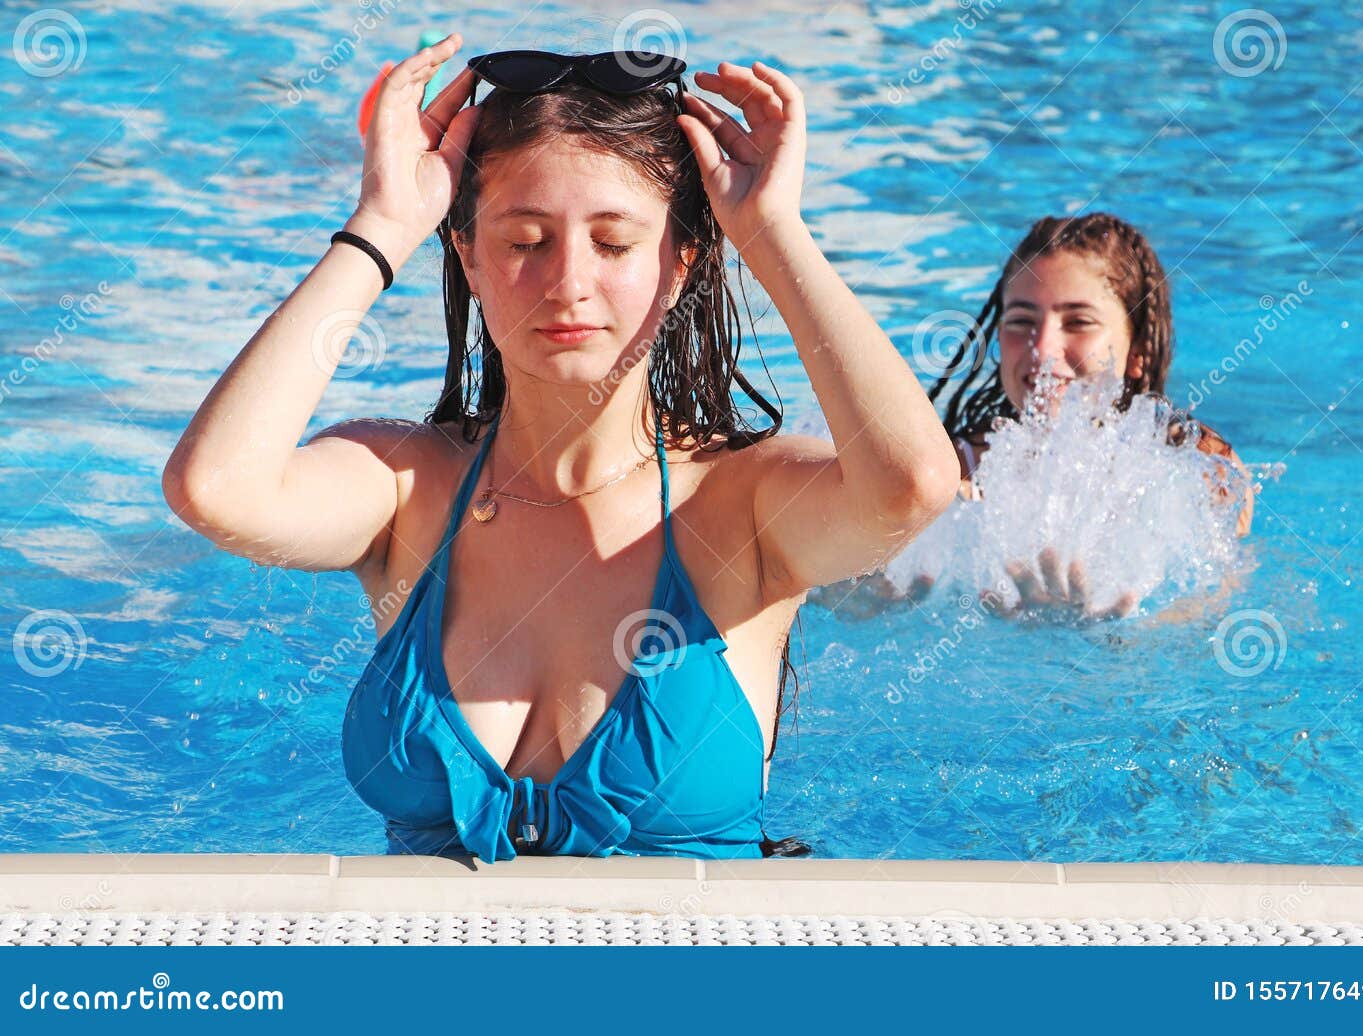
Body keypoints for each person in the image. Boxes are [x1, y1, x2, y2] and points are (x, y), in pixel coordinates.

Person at [161, 36, 959, 861]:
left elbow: (913, 485)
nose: (567, 282)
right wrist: (383, 228)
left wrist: (769, 232)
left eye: (614, 244)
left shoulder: (743, 504)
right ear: (467, 254)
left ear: (682, 262)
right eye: (524, 240)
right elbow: (214, 488)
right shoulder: (405, 486)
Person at [823, 212, 1251, 620]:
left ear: (1137, 351)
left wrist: (1098, 640)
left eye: (1079, 322)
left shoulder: (1202, 471)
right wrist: (856, 602)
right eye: (1022, 321)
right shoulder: (945, 479)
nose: (1042, 350)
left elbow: (1208, 614)